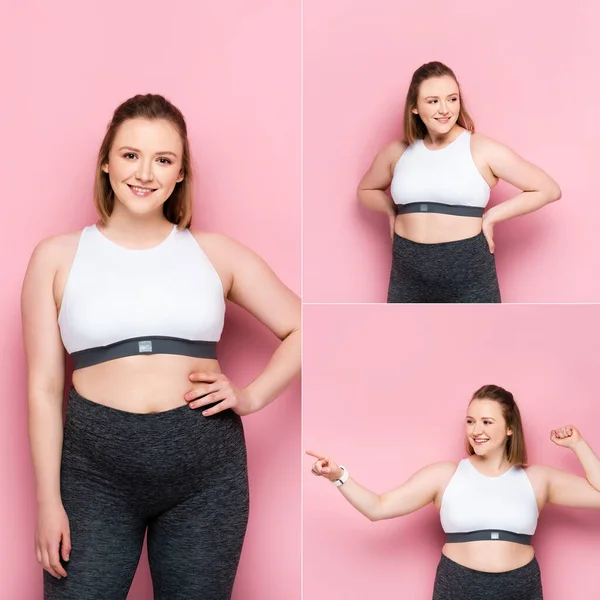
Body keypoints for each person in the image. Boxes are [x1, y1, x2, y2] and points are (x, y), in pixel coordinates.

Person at [21, 93, 301, 600]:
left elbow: (306, 328)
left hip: (205, 473)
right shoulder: (56, 258)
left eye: (163, 159)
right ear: (106, 162)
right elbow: (43, 386)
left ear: (180, 175)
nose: (144, 172)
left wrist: (253, 397)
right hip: (93, 474)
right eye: (130, 155)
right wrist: (48, 502)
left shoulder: (216, 254)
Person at [307, 385, 600, 600]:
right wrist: (339, 476)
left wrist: (578, 445)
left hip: (520, 586)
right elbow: (378, 507)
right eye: (471, 421)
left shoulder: (537, 479)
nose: (476, 430)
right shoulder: (443, 475)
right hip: (459, 585)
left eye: (487, 422)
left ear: (510, 428)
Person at [357, 62, 562, 303]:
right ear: (414, 107)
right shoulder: (397, 152)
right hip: (407, 275)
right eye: (433, 101)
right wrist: (392, 211)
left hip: (468, 273)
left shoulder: (481, 148)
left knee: (481, 338)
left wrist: (492, 216)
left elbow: (548, 189)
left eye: (452, 99)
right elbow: (366, 189)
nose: (444, 109)